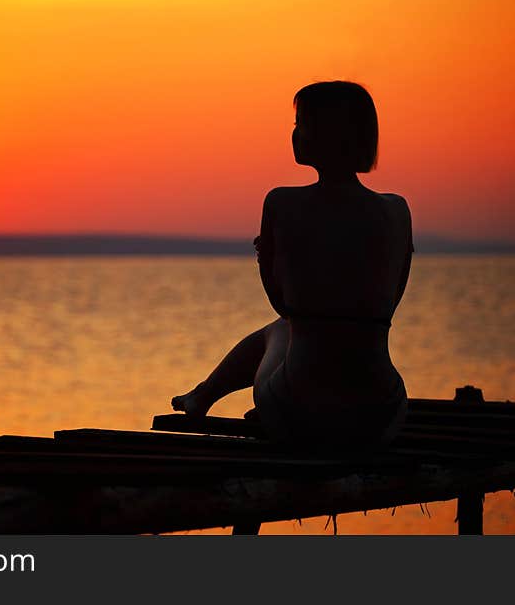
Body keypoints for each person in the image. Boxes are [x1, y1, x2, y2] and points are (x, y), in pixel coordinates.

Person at [171, 81, 412, 453]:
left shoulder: (282, 203)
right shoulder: (397, 211)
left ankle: (203, 396)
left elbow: (282, 305)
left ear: (326, 133)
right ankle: (205, 395)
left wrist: (269, 257)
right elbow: (388, 303)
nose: (294, 133)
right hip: (381, 415)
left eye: (302, 123)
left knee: (279, 331)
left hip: (299, 411)